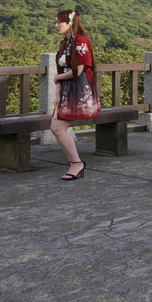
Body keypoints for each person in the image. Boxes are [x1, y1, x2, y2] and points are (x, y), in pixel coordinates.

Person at [50, 10, 101, 180]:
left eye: (59, 22)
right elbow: (60, 70)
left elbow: (78, 70)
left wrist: (57, 78)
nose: (56, 25)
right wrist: (57, 91)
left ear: (70, 23)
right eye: (56, 22)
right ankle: (75, 163)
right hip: (65, 89)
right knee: (55, 128)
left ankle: (76, 164)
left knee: (57, 128)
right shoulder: (65, 43)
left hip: (77, 88)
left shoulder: (81, 41)